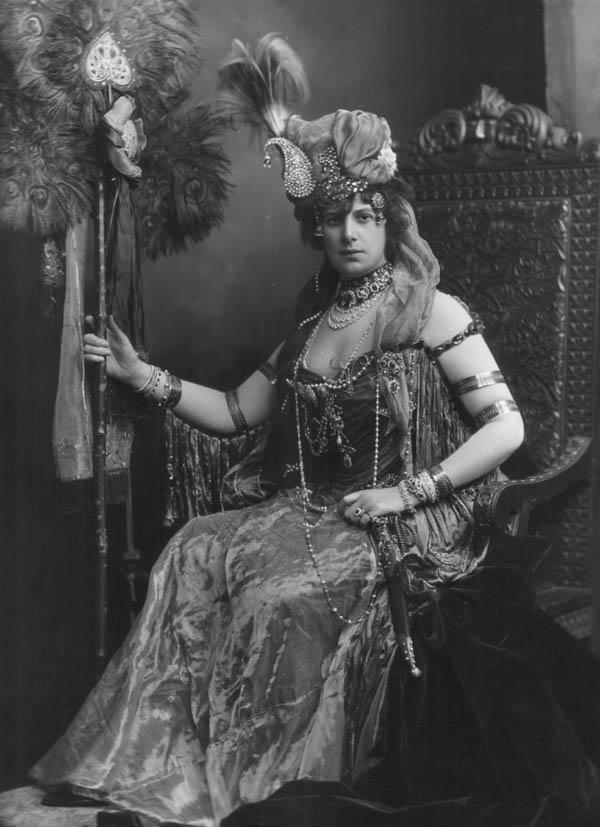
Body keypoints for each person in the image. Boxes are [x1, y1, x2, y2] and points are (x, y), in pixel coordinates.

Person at [21, 36, 600, 827]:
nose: (351, 232)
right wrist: (142, 374)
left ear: (390, 221)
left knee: (280, 593)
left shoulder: (429, 310)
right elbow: (237, 411)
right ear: (314, 229)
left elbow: (507, 426)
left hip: (405, 516)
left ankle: (265, 782)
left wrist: (407, 492)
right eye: (334, 219)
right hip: (316, 508)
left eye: (366, 216)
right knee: (192, 550)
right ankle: (161, 763)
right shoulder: (312, 323)